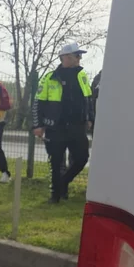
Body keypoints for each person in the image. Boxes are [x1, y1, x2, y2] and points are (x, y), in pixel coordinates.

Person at [32, 42, 95, 203]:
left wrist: (89, 118)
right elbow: (38, 103)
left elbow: (88, 99)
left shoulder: (82, 75)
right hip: (56, 127)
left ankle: (63, 183)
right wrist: (38, 125)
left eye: (79, 56)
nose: (80, 58)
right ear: (65, 57)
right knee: (56, 162)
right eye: (77, 55)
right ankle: (56, 195)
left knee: (82, 158)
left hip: (77, 126)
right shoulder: (49, 77)